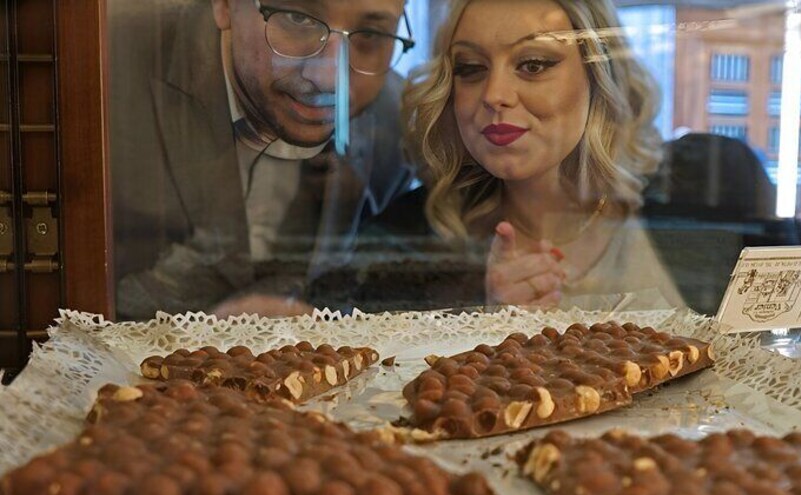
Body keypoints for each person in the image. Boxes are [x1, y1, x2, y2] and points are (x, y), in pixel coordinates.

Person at [110, 0, 415, 319]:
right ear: (225, 6)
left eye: (370, 34)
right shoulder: (100, 65)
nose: (328, 79)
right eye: (298, 18)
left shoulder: (395, 122)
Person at [400, 0, 683, 309]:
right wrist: (487, 325)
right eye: (470, 68)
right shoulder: (403, 240)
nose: (494, 95)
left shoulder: (700, 192)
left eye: (533, 64)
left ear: (598, 75)